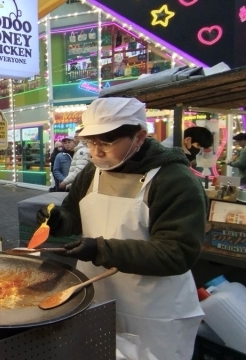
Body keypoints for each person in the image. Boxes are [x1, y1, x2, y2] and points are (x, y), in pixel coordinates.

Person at [36, 97, 206, 360]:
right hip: (96, 296)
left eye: (106, 143)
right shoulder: (93, 171)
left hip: (153, 309)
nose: (96, 152)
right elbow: (74, 213)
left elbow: (177, 253)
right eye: (91, 142)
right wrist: (59, 220)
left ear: (139, 136)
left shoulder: (174, 180)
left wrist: (100, 249)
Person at [58, 126, 91, 191]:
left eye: (76, 137)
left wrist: (65, 182)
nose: (74, 140)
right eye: (65, 143)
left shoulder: (82, 151)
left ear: (83, 138)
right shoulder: (80, 150)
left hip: (75, 185)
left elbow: (79, 170)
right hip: (75, 184)